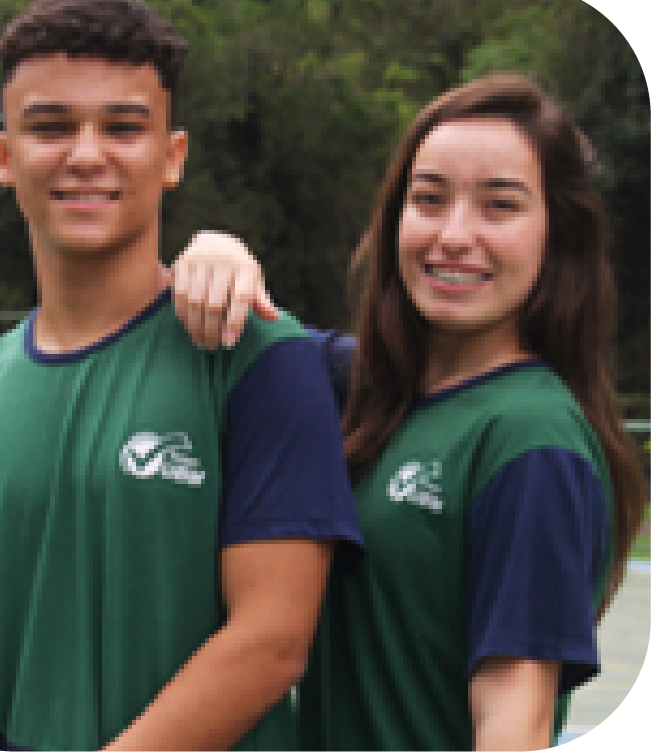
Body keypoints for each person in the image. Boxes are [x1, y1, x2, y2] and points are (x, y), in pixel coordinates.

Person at [0, 0, 363, 752]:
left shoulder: (261, 359)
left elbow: (272, 640)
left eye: (122, 127)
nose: (85, 153)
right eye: (49, 127)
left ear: (171, 157)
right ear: (1, 157)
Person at [171, 73, 648, 751]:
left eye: (499, 206)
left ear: (559, 237)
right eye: (429, 199)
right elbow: (249, 338)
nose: (454, 235)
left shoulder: (531, 440)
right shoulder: (363, 388)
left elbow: (513, 721)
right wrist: (216, 249)